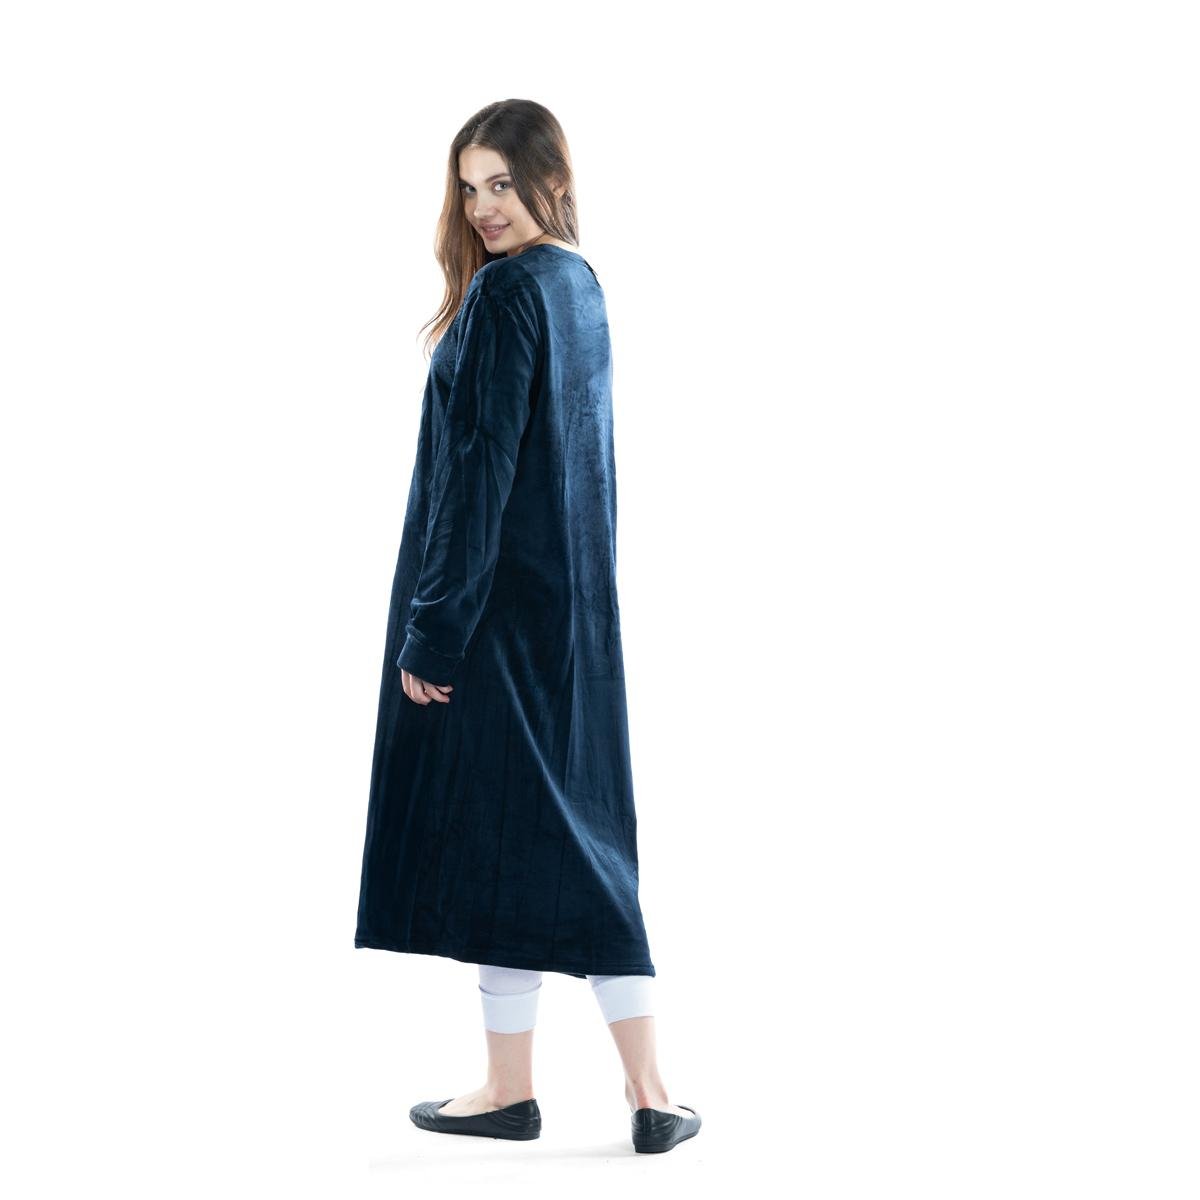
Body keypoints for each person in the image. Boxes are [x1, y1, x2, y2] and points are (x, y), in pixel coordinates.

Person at [354, 99, 700, 1155]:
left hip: (496, 623)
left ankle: (627, 1088)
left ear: (549, 178)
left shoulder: (508, 293)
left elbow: (481, 474)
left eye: (502, 183)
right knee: (545, 845)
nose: (483, 207)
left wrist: (434, 630)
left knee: (529, 846)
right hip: (572, 625)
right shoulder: (577, 284)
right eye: (469, 187)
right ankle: (570, 1089)